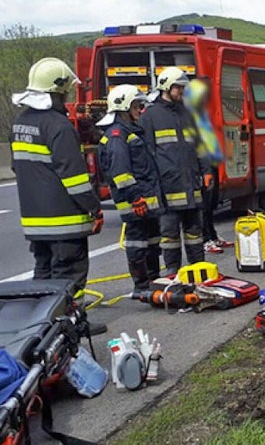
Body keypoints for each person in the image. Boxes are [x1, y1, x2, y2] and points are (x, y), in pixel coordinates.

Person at [9, 58, 103, 294]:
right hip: (64, 221)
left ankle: (43, 324)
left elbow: (15, 167)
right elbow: (74, 178)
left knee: (43, 274)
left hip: (34, 221)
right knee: (69, 274)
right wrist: (93, 207)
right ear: (58, 90)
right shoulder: (59, 126)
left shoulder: (19, 124)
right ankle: (73, 324)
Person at [96, 84, 164, 292]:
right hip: (135, 202)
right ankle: (142, 286)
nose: (139, 110)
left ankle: (153, 280)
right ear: (124, 107)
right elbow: (121, 173)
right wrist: (135, 198)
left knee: (152, 241)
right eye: (136, 106)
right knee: (137, 244)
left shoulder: (131, 131)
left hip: (145, 200)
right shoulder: (118, 135)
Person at [139, 67, 206, 275]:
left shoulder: (188, 113)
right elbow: (146, 156)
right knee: (169, 236)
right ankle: (172, 274)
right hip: (168, 188)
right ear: (166, 87)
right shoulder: (150, 116)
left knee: (195, 233)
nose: (182, 92)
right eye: (179, 88)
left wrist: (206, 171)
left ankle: (198, 271)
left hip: (191, 185)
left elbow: (200, 146)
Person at [183, 78, 230, 254]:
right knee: (202, 206)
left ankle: (212, 235)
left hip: (210, 163)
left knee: (210, 205)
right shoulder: (188, 115)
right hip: (200, 167)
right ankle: (205, 239)